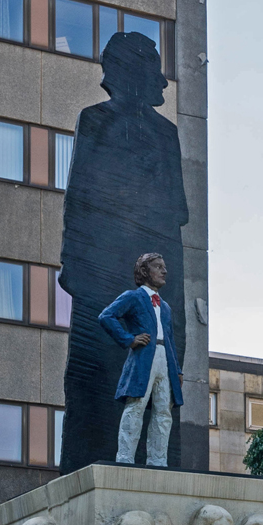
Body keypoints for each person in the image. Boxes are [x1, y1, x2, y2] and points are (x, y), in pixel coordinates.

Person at [58, 30, 188, 472]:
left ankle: (154, 463)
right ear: (132, 72)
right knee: (93, 384)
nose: (164, 84)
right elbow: (78, 198)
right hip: (99, 274)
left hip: (151, 266)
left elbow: (177, 214)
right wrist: (74, 267)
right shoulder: (95, 121)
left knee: (160, 400)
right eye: (155, 70)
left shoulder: (166, 134)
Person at [99, 253, 183, 467]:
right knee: (135, 406)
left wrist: (177, 370)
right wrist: (129, 339)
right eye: (158, 267)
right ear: (145, 271)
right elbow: (106, 316)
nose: (164, 271)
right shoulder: (133, 296)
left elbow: (171, 339)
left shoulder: (165, 307)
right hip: (144, 359)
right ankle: (125, 458)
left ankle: (158, 461)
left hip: (165, 360)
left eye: (164, 267)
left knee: (164, 412)